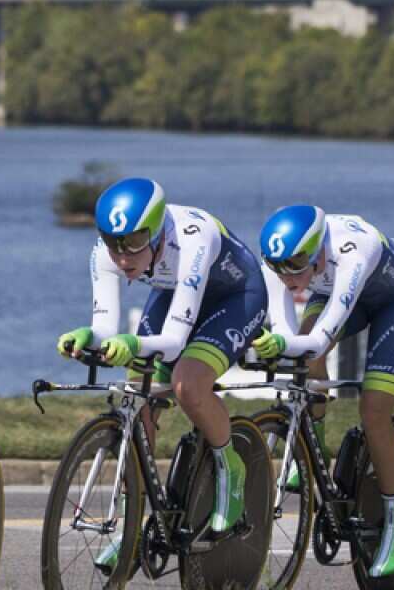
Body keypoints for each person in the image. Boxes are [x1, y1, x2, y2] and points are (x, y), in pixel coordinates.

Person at [56, 178, 267, 567]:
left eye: (135, 243)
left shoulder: (192, 240)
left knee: (188, 383)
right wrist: (88, 335)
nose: (122, 258)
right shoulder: (107, 252)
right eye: (113, 243)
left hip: (234, 297)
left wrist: (133, 344)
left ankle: (230, 467)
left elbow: (172, 340)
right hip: (175, 293)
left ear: (155, 232)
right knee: (134, 394)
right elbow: (104, 324)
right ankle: (132, 523)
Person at [253, 206, 394, 578]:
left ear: (318, 250)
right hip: (331, 288)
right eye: (278, 266)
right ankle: (310, 446)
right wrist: (277, 342)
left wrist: (293, 345)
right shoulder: (283, 262)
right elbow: (289, 333)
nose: (287, 276)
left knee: (374, 412)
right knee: (304, 351)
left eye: (296, 264)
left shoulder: (353, 249)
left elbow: (321, 337)